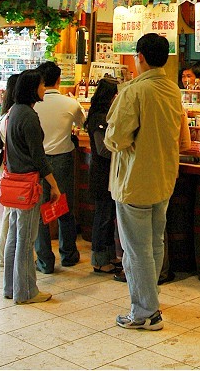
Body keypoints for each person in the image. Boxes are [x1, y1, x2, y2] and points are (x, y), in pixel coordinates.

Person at [105, 33, 190, 330]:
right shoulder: (172, 89)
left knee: (136, 249)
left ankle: (145, 312)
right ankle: (151, 300)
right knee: (154, 243)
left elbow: (116, 138)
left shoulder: (135, 91)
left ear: (140, 57)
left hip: (135, 181)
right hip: (163, 178)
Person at [3, 69, 60, 304]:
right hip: (29, 185)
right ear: (32, 88)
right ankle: (26, 292)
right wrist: (54, 185)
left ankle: (11, 287)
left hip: (14, 183)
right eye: (41, 85)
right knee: (26, 240)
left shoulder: (14, 111)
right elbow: (39, 157)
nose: (44, 89)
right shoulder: (28, 116)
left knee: (15, 236)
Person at [34, 60, 85, 273]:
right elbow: (82, 124)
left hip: (38, 162)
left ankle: (44, 261)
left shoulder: (33, 104)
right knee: (64, 207)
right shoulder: (70, 104)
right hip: (62, 160)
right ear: (59, 80)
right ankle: (68, 254)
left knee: (40, 212)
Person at [84, 77, 122, 274]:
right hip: (101, 173)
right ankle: (99, 260)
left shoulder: (105, 115)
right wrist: (122, 150)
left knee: (109, 215)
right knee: (103, 217)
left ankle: (109, 256)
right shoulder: (99, 118)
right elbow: (102, 149)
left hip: (107, 173)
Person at [0, 73, 20, 267]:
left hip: (5, 167)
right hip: (11, 169)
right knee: (11, 213)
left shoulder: (6, 114)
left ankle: (4, 255)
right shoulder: (14, 115)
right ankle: (6, 256)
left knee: (9, 212)